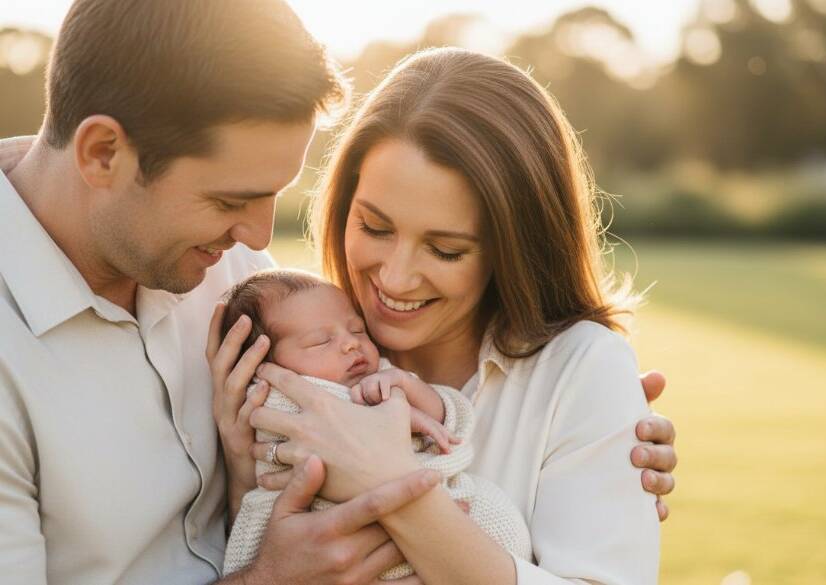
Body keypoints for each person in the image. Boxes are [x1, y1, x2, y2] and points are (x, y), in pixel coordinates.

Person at [0, 1, 676, 584]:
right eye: (231, 198)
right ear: (101, 155)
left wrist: (594, 422)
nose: (257, 237)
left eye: (273, 196)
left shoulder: (241, 281)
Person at [210, 48, 665, 584]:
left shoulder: (582, 370)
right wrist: (240, 475)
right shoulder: (287, 340)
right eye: (375, 228)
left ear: (514, 249)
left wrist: (390, 483)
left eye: (445, 250)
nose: (396, 280)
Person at [218, 269, 533, 578]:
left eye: (357, 330)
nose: (350, 344)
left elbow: (455, 420)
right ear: (261, 365)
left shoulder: (379, 374)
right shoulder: (274, 393)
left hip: (446, 530)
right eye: (319, 342)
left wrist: (416, 396)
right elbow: (323, 430)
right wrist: (389, 416)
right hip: (331, 527)